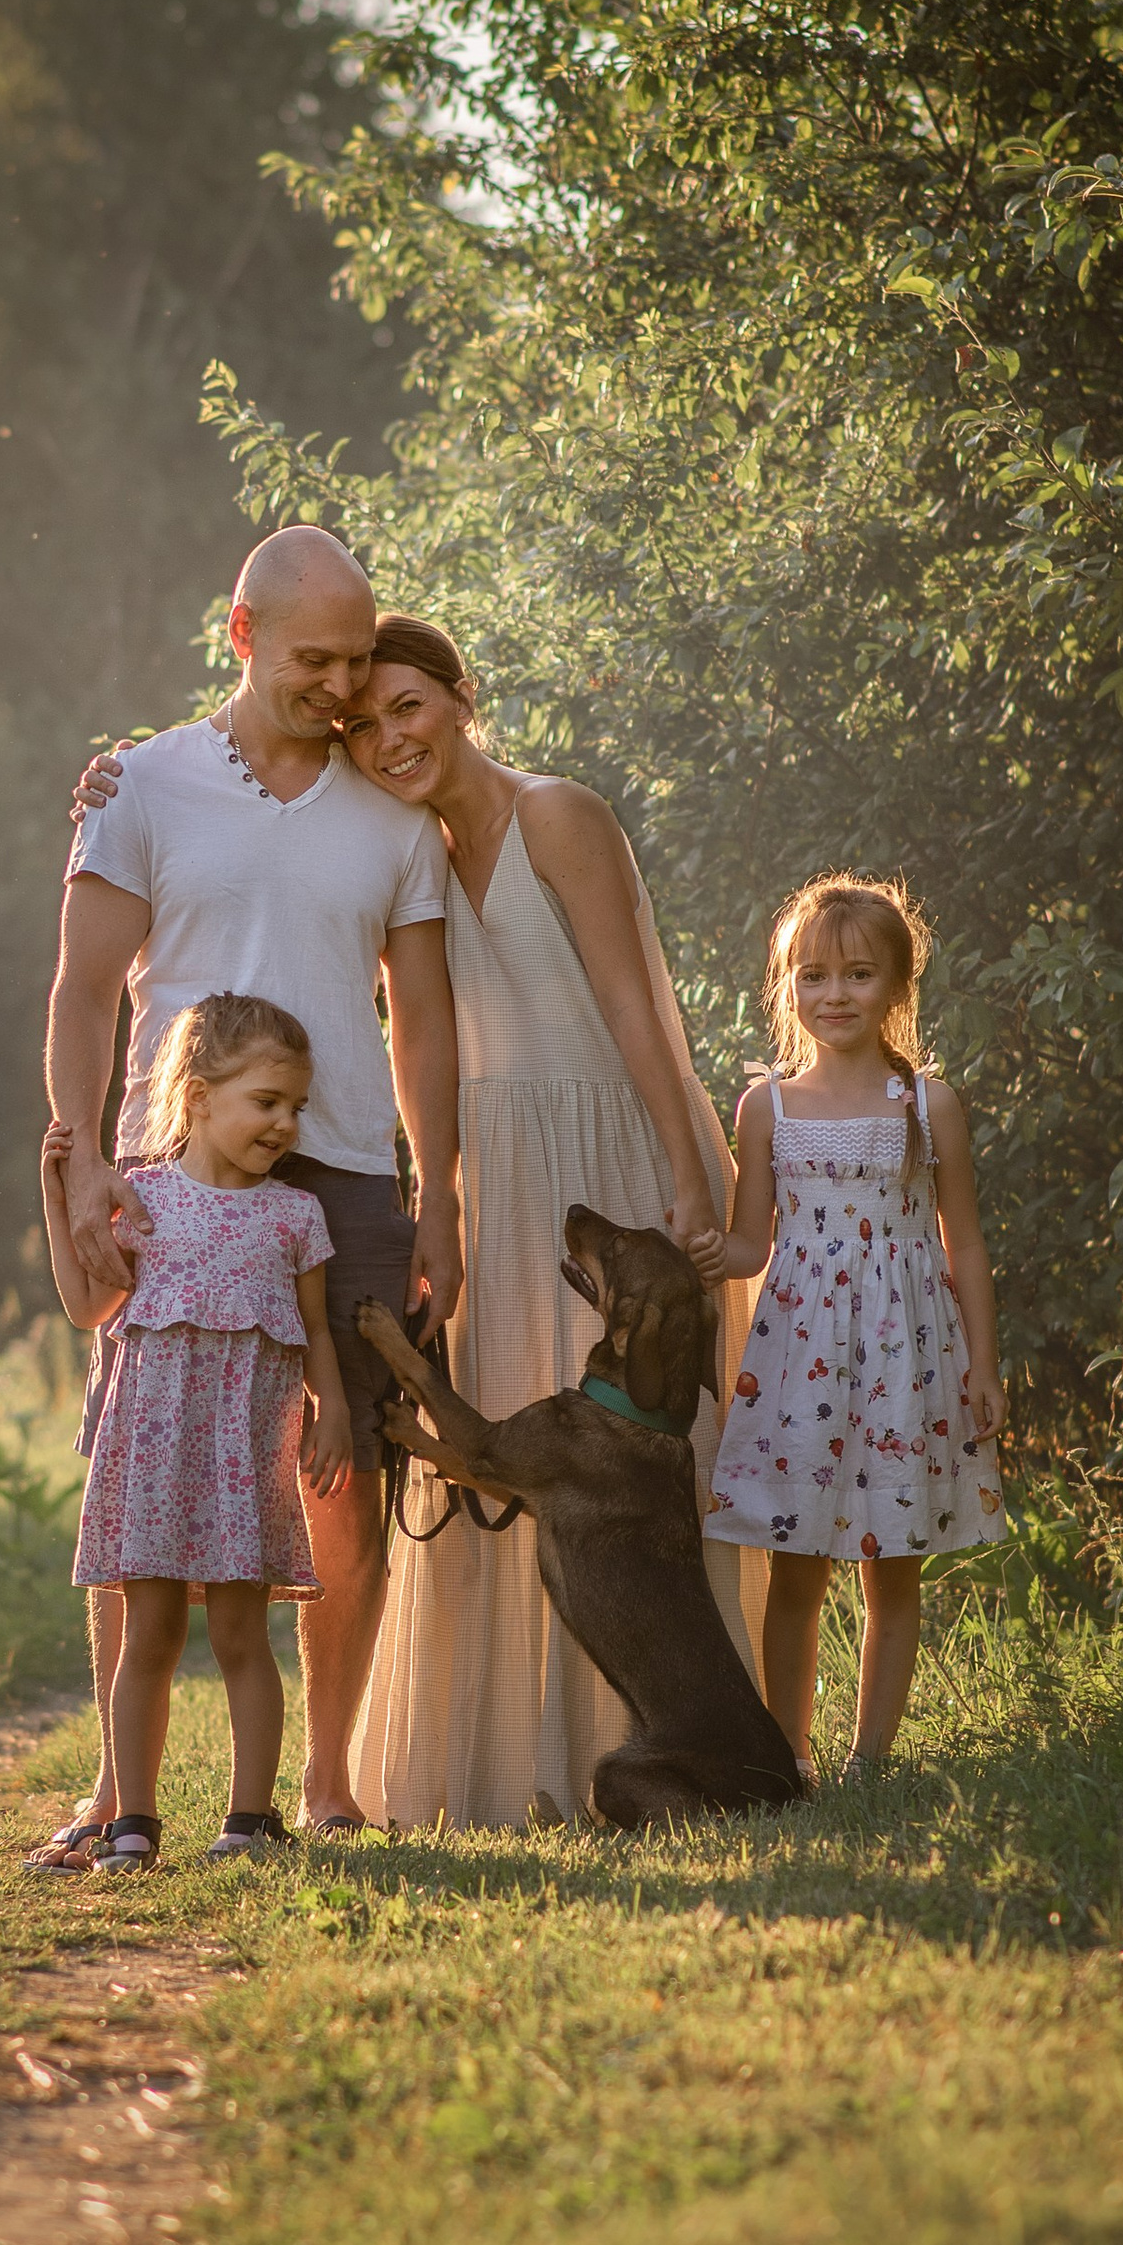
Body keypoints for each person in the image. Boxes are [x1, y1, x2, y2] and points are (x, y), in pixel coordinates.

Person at [41, 526, 459, 1848]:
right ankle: (117, 1790)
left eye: (355, 658)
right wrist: (82, 1156)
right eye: (311, 657)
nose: (339, 685)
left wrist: (438, 1189)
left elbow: (424, 1022)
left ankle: (325, 1783)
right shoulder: (141, 784)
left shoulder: (396, 813)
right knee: (138, 1469)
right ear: (241, 634)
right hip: (169, 1171)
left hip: (347, 1172)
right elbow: (84, 989)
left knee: (343, 1473)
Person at [331, 618, 768, 1827]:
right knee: (510, 1442)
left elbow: (633, 1008)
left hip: (611, 1150)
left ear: (460, 697)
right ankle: (493, 1769)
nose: (388, 739)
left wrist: (687, 1175)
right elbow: (419, 1040)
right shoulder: (405, 852)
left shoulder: (557, 814)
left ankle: (688, 1755)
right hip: (498, 1171)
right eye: (362, 726)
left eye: (407, 706)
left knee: (631, 1462)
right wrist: (438, 1196)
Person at [34, 995, 353, 1872]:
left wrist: (332, 1409)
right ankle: (132, 1820)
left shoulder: (295, 1216)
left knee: (244, 1636)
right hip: (156, 1461)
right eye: (267, 1101)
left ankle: (249, 1820)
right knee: (150, 1635)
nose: (285, 1123)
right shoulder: (143, 1202)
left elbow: (316, 1331)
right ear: (201, 1096)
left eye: (296, 1106)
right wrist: (58, 1201)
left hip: (243, 1465)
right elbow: (87, 1305)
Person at [704, 874, 1006, 1775]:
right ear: (788, 986)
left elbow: (964, 1245)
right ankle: (786, 1758)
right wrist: (700, 1247)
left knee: (893, 1564)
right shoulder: (768, 1107)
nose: (834, 994)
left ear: (897, 987)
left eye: (858, 974)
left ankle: (869, 1763)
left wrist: (984, 1366)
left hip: (906, 1360)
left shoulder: (927, 1105)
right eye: (814, 976)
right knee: (795, 1567)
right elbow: (750, 1246)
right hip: (799, 1362)